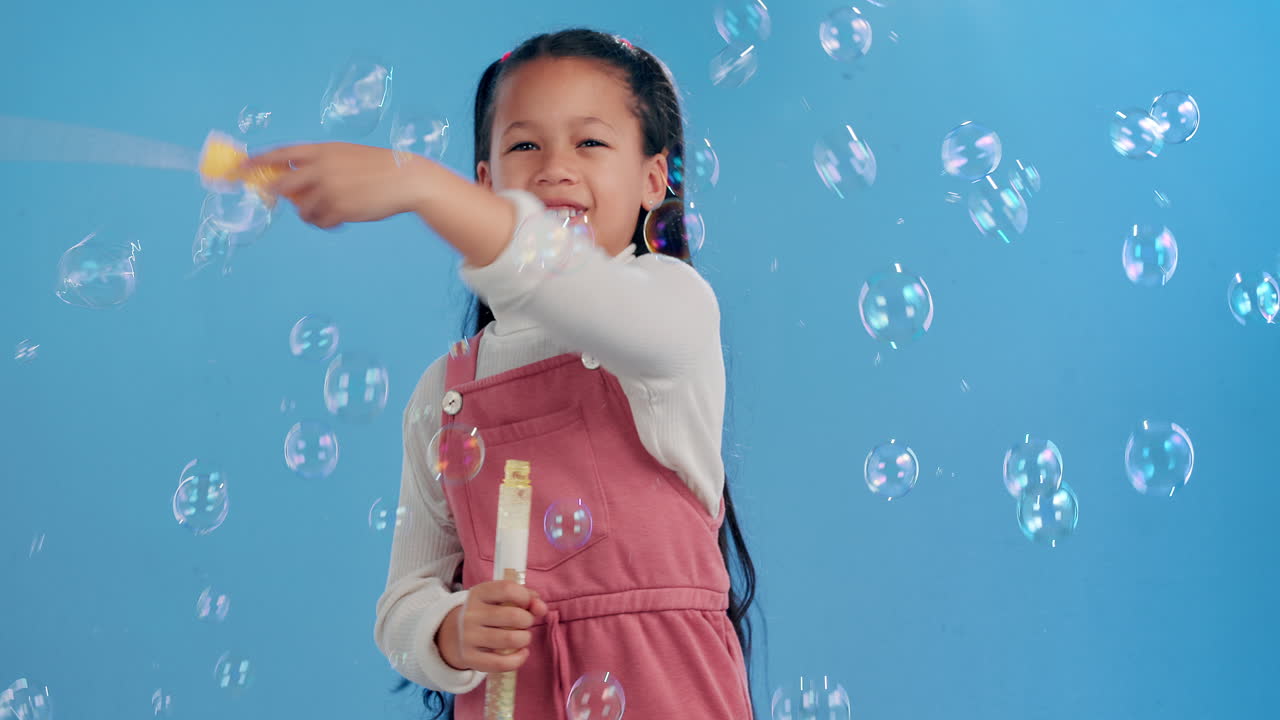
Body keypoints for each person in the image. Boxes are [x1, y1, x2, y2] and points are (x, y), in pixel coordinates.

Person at [244, 27, 758, 719]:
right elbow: (406, 601)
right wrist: (448, 631)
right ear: (488, 182)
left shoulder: (673, 313)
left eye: (590, 142)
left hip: (665, 693)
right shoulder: (445, 393)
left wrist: (420, 185)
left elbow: (567, 283)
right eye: (524, 145)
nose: (554, 168)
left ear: (653, 180)